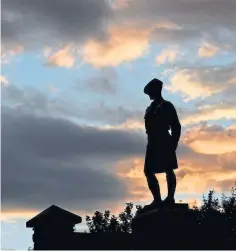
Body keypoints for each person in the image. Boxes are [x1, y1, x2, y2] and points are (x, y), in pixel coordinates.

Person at [142, 78, 181, 210]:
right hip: (152, 142)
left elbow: (176, 126)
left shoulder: (167, 106)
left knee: (168, 169)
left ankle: (170, 197)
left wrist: (174, 143)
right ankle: (157, 200)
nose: (149, 95)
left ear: (157, 90)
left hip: (164, 140)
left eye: (150, 92)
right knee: (148, 171)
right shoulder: (149, 109)